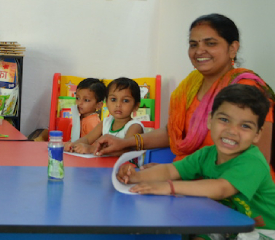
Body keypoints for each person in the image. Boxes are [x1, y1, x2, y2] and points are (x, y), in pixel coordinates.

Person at [95, 14, 275, 179]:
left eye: (210, 43)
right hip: (186, 181)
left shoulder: (249, 91)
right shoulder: (190, 85)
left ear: (232, 48)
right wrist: (125, 143)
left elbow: (257, 164)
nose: (200, 50)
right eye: (193, 44)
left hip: (235, 195)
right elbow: (171, 133)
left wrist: (177, 177)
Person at [117, 84, 275, 239]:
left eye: (245, 126)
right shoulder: (205, 154)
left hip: (264, 230)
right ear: (210, 120)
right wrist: (135, 176)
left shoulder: (253, 161)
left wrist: (169, 186)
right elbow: (171, 170)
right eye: (224, 119)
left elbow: (221, 188)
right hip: (225, 223)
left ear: (257, 134)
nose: (232, 131)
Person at [65, 77, 144, 154]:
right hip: (105, 165)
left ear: (136, 106)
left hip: (128, 166)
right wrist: (73, 146)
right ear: (106, 102)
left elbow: (125, 150)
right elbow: (87, 139)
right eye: (113, 99)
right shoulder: (106, 122)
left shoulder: (134, 126)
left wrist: (92, 149)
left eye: (125, 100)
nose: (118, 105)